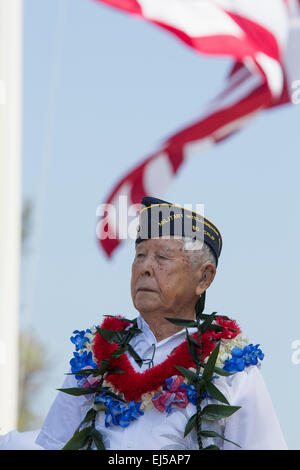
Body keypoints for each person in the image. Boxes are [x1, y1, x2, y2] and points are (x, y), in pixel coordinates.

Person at [34, 197, 287, 450]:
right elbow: (53, 445)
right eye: (139, 255)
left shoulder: (231, 368)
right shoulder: (96, 356)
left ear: (204, 277)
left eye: (162, 258)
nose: (144, 267)